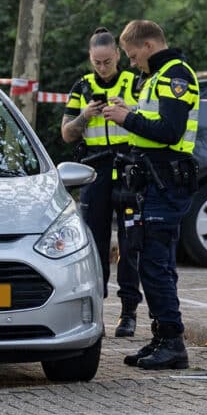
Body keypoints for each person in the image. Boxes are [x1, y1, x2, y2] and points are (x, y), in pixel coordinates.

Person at [102, 20, 199, 370]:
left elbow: (170, 132)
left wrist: (126, 119)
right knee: (153, 260)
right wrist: (129, 113)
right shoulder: (157, 77)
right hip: (155, 180)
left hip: (167, 180)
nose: (130, 63)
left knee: (155, 263)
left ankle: (173, 343)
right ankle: (161, 337)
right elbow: (153, 124)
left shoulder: (176, 76)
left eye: (131, 55)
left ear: (147, 46)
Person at [61, 27, 143, 337]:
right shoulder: (82, 87)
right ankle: (96, 311)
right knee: (93, 245)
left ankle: (129, 312)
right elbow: (66, 133)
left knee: (129, 242)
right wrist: (84, 116)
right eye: (97, 62)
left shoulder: (134, 82)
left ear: (118, 56)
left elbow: (151, 121)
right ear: (90, 58)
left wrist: (127, 111)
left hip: (127, 168)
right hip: (94, 171)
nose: (103, 67)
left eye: (107, 61)